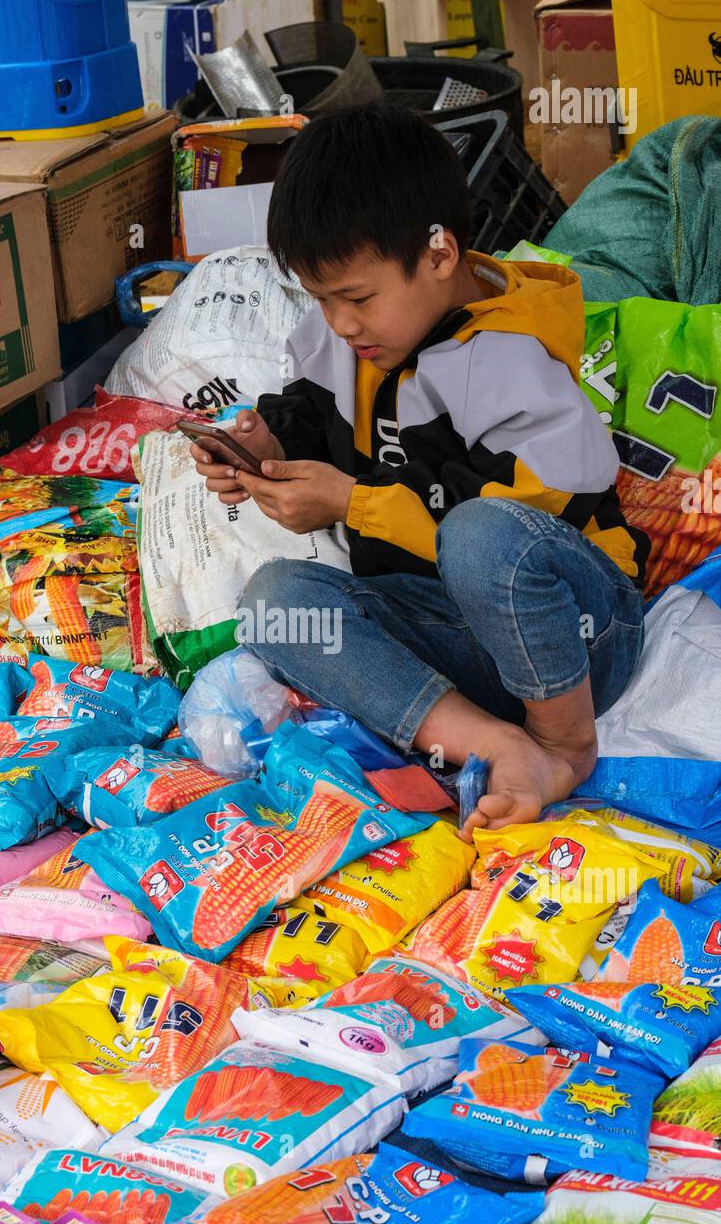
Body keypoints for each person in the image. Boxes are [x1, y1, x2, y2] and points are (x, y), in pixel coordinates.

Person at [191, 104, 648, 842]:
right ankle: (496, 744)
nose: (339, 323)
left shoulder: (511, 359)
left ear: (439, 255)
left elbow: (515, 545)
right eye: (321, 299)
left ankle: (563, 745)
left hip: (578, 641)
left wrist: (350, 502)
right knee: (274, 604)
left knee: (480, 535)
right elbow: (311, 409)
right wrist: (263, 443)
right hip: (451, 638)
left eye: (357, 298)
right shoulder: (355, 343)